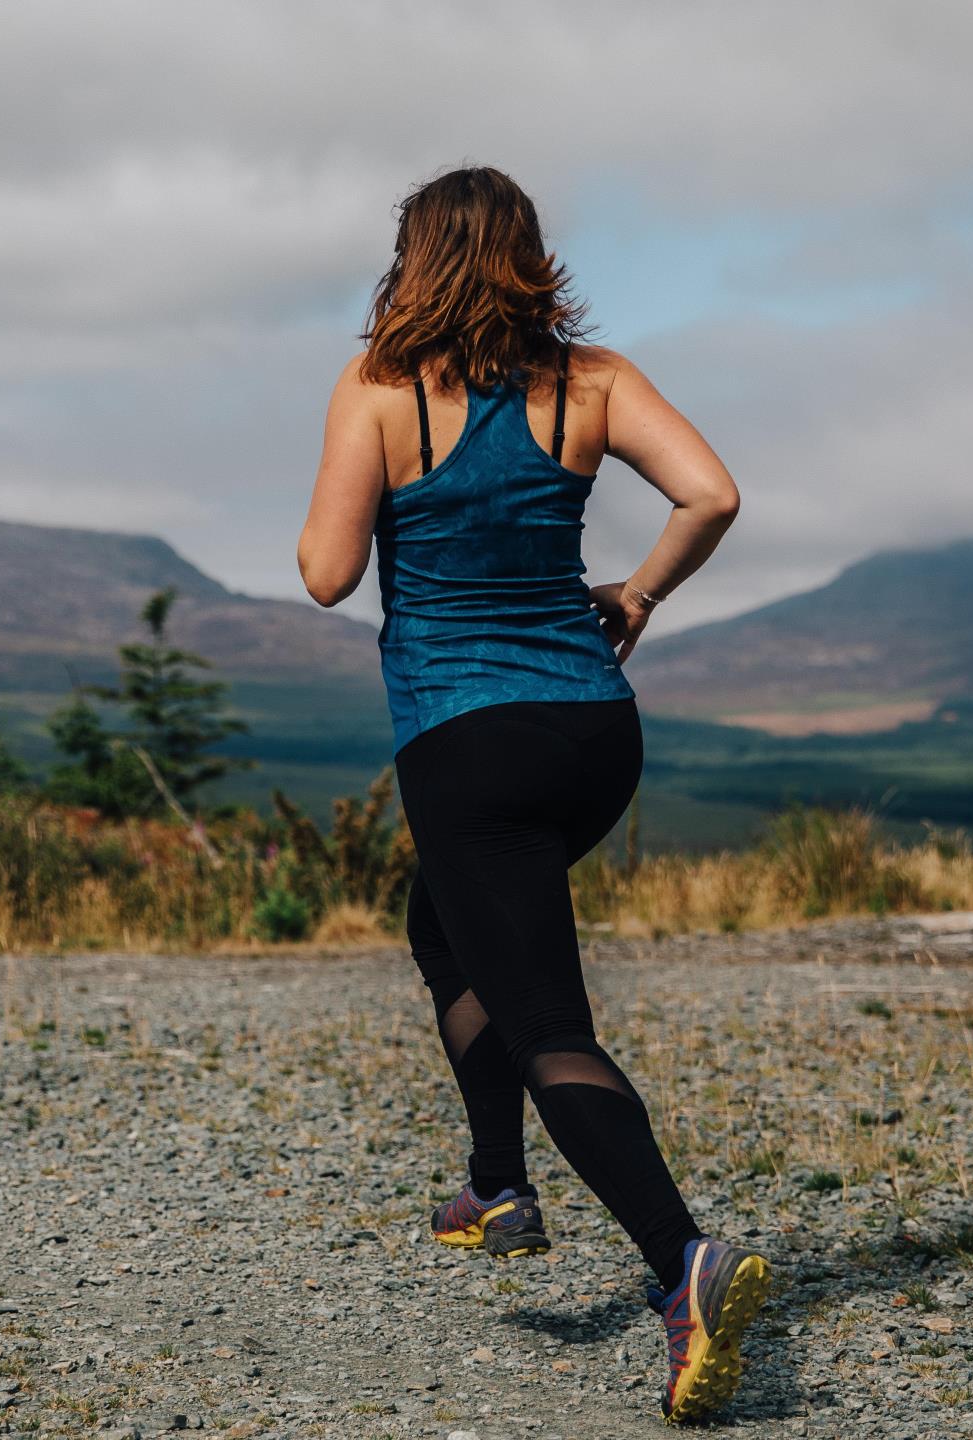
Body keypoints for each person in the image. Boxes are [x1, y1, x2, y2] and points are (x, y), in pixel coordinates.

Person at [296, 165, 767, 1424]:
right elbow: (711, 494)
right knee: (441, 927)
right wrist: (639, 596)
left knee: (548, 1021)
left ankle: (682, 1261)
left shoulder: (380, 387)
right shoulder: (594, 381)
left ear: (414, 260)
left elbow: (328, 573)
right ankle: (495, 1184)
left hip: (467, 742)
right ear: (527, 257)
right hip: (593, 731)